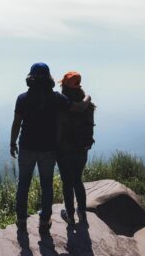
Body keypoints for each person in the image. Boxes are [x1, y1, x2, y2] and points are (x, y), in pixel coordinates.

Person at [10, 62, 88, 234]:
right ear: (49, 78)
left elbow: (16, 123)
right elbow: (78, 108)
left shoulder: (22, 98)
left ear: (30, 77)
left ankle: (21, 220)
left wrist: (12, 143)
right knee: (47, 186)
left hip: (26, 148)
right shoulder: (56, 98)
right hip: (48, 150)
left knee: (23, 185)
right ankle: (45, 221)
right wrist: (88, 97)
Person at [55, 71, 96, 227]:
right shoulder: (89, 106)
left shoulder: (62, 104)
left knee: (67, 182)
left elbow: (58, 129)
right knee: (77, 180)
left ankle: (70, 216)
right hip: (82, 149)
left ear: (65, 86)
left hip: (64, 150)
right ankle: (82, 213)